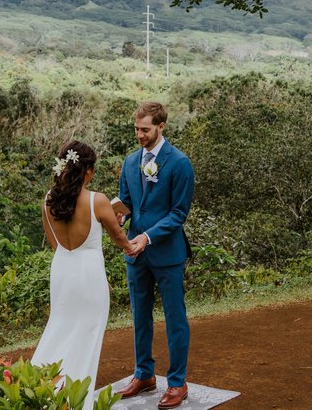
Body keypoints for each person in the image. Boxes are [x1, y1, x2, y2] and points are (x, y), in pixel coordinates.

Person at [31, 140, 136, 410]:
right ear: (87, 170)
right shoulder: (97, 201)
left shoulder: (48, 200)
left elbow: (55, 243)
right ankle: (78, 401)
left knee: (59, 328)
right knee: (87, 335)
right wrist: (130, 242)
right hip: (89, 275)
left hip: (62, 270)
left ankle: (39, 390)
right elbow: (120, 239)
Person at [116, 101, 194, 409]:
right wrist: (119, 217)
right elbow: (127, 202)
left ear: (161, 127)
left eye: (145, 130)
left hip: (167, 254)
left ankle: (177, 382)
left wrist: (147, 237)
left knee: (175, 319)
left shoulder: (180, 163)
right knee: (139, 317)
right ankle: (144, 374)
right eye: (136, 129)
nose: (139, 135)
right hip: (135, 254)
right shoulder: (129, 162)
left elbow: (178, 214)